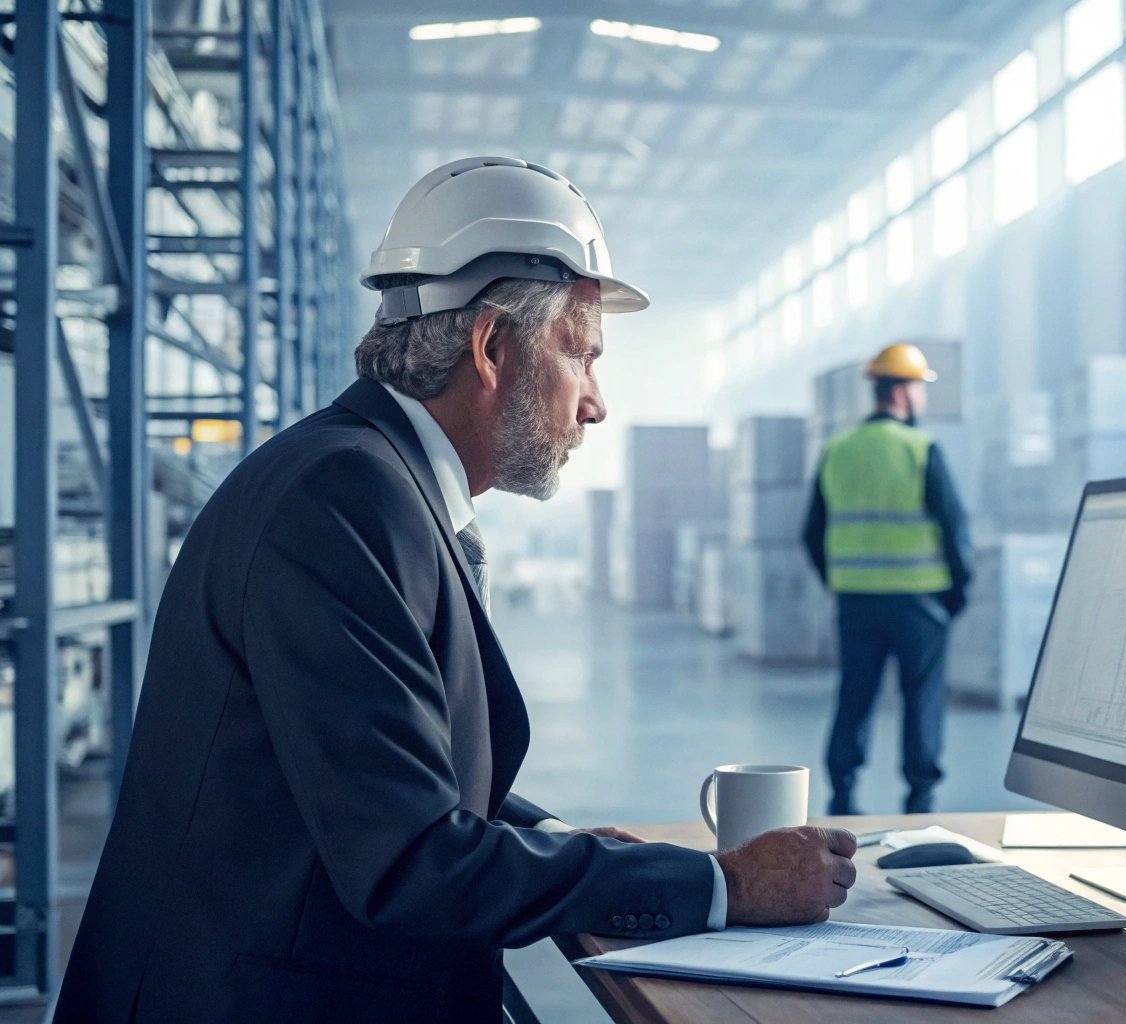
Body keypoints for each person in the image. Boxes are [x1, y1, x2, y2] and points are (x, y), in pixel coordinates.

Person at [55, 157, 856, 1023]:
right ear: (489, 348)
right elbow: (406, 858)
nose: (596, 404)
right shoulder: (340, 504)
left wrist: (555, 842)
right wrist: (725, 882)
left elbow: (378, 765)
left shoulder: (371, 482)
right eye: (582, 355)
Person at [802, 343, 973, 817]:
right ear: (902, 390)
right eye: (919, 388)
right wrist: (958, 591)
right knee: (922, 697)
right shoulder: (920, 449)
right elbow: (954, 527)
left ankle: (843, 789)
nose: (920, 398)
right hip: (919, 601)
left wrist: (838, 579)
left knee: (854, 693)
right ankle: (920, 795)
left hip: (856, 600)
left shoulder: (838, 450)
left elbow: (812, 532)